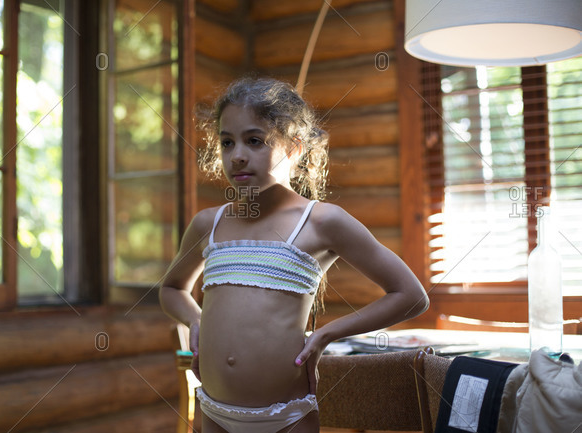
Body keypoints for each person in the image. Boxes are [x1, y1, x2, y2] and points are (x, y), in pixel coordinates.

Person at [159, 77, 429, 433]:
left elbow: (411, 296)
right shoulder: (207, 224)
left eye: (254, 141)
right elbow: (171, 288)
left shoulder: (322, 221)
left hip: (286, 418)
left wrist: (327, 334)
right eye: (227, 142)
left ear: (295, 149)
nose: (237, 154)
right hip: (212, 413)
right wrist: (197, 320)